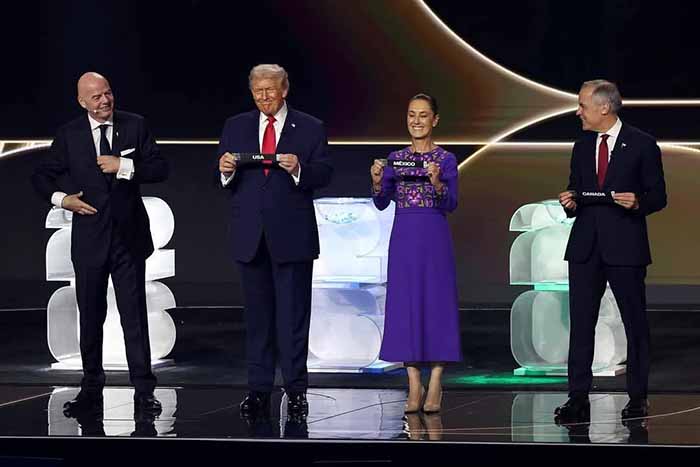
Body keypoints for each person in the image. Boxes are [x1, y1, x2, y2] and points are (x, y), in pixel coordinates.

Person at [32, 72, 168, 417]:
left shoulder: (135, 125)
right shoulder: (70, 134)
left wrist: (125, 165)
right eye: (96, 97)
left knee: (134, 318)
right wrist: (63, 200)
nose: (105, 100)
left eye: (108, 93)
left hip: (128, 240)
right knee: (91, 317)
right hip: (90, 240)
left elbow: (160, 168)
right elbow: (41, 176)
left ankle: (144, 392)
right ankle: (91, 390)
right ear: (82, 102)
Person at [217, 64, 332, 420]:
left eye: (270, 89)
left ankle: (296, 392)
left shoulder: (310, 127)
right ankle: (258, 390)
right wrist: (224, 170)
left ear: (284, 89)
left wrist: (299, 169)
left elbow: (324, 173)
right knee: (258, 321)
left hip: (292, 236)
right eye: (258, 91)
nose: (264, 96)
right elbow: (224, 175)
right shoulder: (235, 126)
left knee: (293, 320)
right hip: (250, 237)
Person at [556, 80, 667, 421]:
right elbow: (578, 190)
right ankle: (578, 399)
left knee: (635, 324)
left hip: (625, 247)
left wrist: (638, 202)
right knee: (581, 325)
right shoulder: (581, 146)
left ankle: (637, 398)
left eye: (582, 105)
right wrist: (570, 201)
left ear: (604, 107)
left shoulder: (642, 144)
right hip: (586, 248)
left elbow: (658, 196)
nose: (578, 112)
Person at [370, 93, 461, 414]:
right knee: (405, 306)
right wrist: (377, 181)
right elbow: (382, 201)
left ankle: (435, 380)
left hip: (434, 237)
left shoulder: (446, 159)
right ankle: (412, 382)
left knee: (437, 305)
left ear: (435, 120)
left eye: (423, 115)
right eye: (411, 115)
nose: (417, 121)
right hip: (404, 238)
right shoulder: (395, 158)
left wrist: (437, 182)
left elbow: (451, 203)